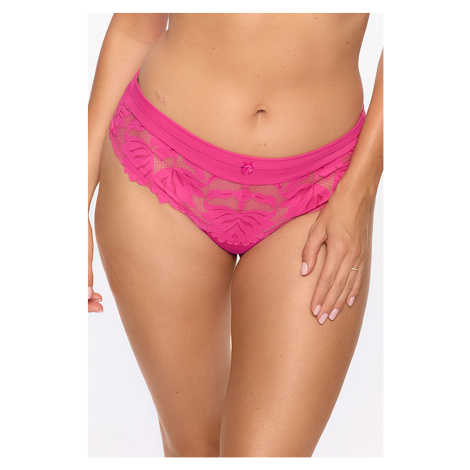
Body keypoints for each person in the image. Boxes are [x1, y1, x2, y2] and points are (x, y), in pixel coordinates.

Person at [88, 13, 383, 457]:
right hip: (161, 167)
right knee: (194, 450)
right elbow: (135, 27)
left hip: (320, 194)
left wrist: (361, 191)